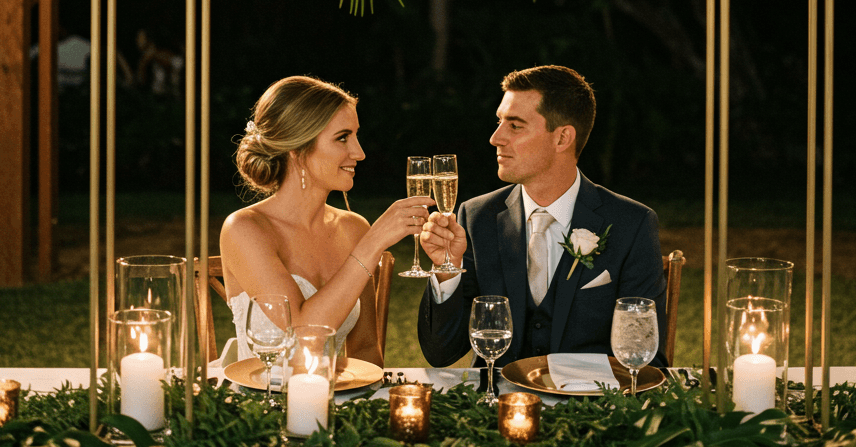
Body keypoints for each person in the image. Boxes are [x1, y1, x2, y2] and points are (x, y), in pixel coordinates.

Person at [417, 64, 667, 368]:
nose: (495, 138)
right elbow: (441, 353)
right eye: (499, 122)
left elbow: (648, 361)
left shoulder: (632, 224)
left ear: (562, 138)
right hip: (496, 409)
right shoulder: (476, 217)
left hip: (588, 408)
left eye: (515, 125)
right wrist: (447, 270)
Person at [221, 75, 433, 366]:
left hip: (334, 403)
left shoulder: (354, 228)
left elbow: (366, 349)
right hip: (261, 404)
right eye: (342, 137)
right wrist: (373, 245)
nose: (359, 153)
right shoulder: (245, 229)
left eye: (356, 136)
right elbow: (303, 336)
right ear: (297, 149)